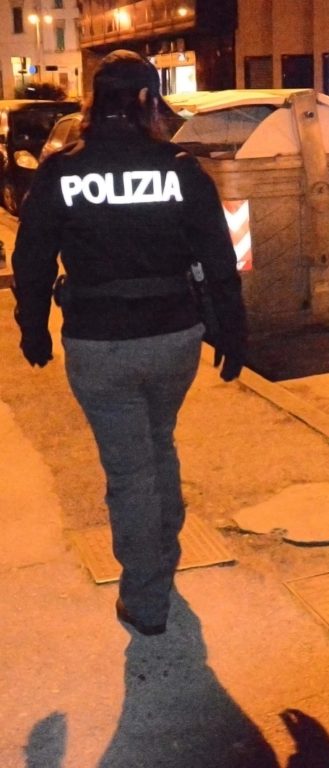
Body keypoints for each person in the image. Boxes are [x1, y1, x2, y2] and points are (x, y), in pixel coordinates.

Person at [11, 50, 246, 637]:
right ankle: (163, 550)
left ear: (94, 99)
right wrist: (232, 332)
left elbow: (32, 258)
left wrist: (33, 327)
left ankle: (145, 598)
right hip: (174, 340)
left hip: (99, 345)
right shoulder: (180, 169)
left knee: (130, 470)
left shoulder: (62, 171)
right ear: (146, 98)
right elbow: (219, 258)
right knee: (157, 442)